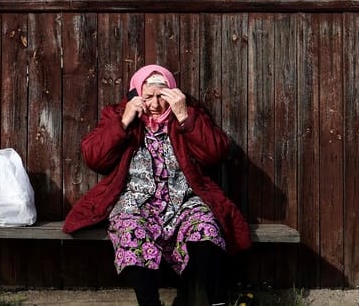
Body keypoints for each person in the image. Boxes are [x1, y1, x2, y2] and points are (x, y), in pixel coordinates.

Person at [62, 64, 250, 306]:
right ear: (136, 93)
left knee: (206, 228)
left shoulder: (187, 113)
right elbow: (94, 157)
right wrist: (125, 120)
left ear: (172, 93)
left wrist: (184, 117)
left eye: (161, 96)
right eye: (147, 96)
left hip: (183, 199)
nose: (154, 104)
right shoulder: (119, 113)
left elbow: (215, 153)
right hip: (137, 201)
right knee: (129, 229)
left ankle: (218, 302)